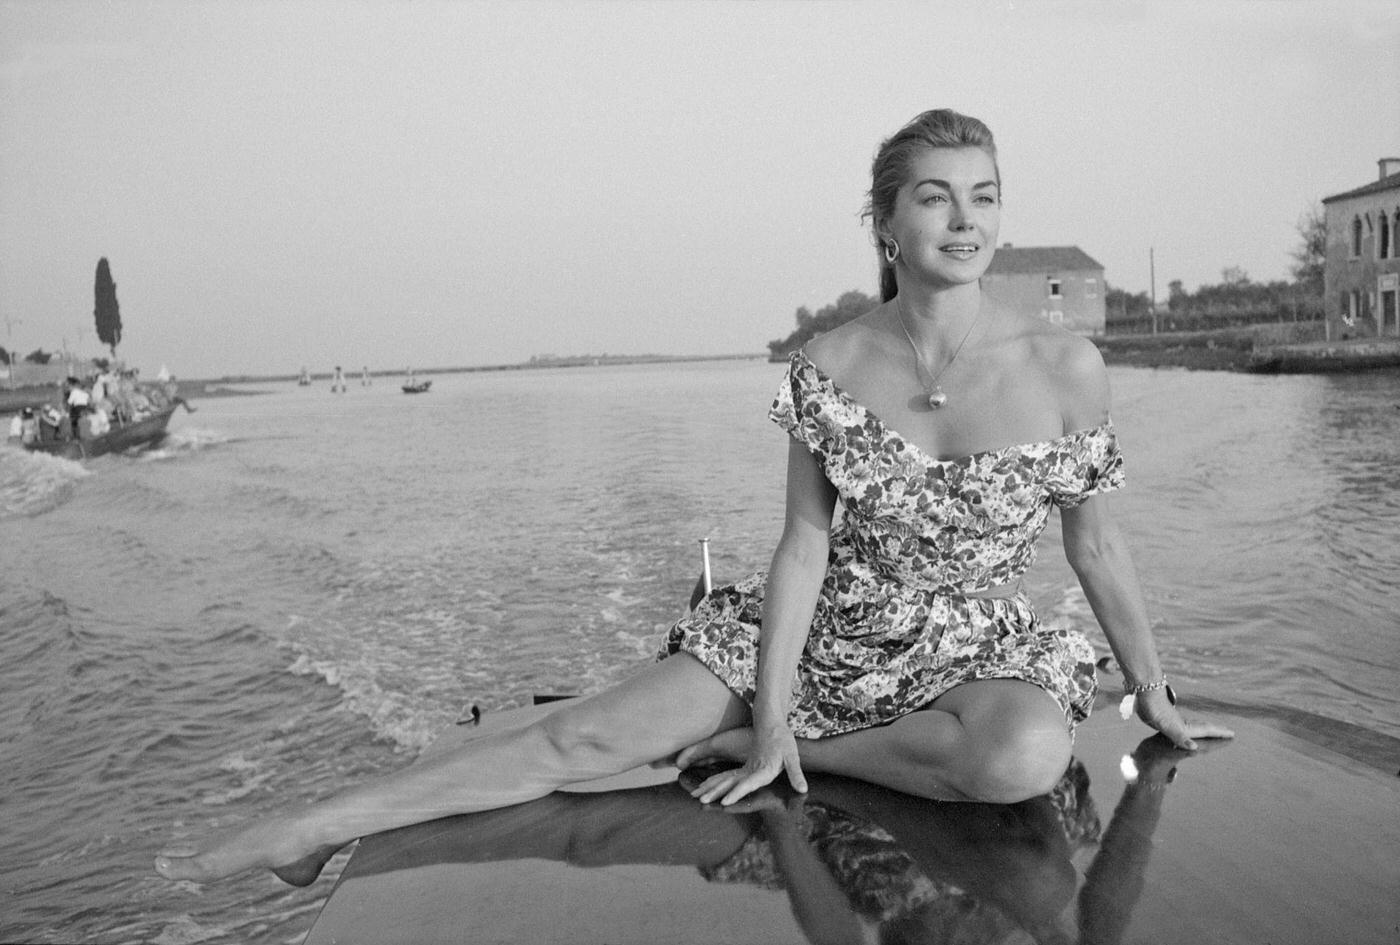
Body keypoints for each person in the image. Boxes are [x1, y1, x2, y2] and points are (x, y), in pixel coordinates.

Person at [155, 108, 1231, 886]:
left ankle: (804, 754)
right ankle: (308, 830)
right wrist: (766, 711)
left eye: (984, 194)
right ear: (884, 219)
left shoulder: (1065, 364)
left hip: (976, 655)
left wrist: (1150, 691)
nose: (965, 219)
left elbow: (1095, 547)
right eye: (934, 195)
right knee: (577, 746)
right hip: (822, 634)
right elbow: (801, 550)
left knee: (1022, 759)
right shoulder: (828, 361)